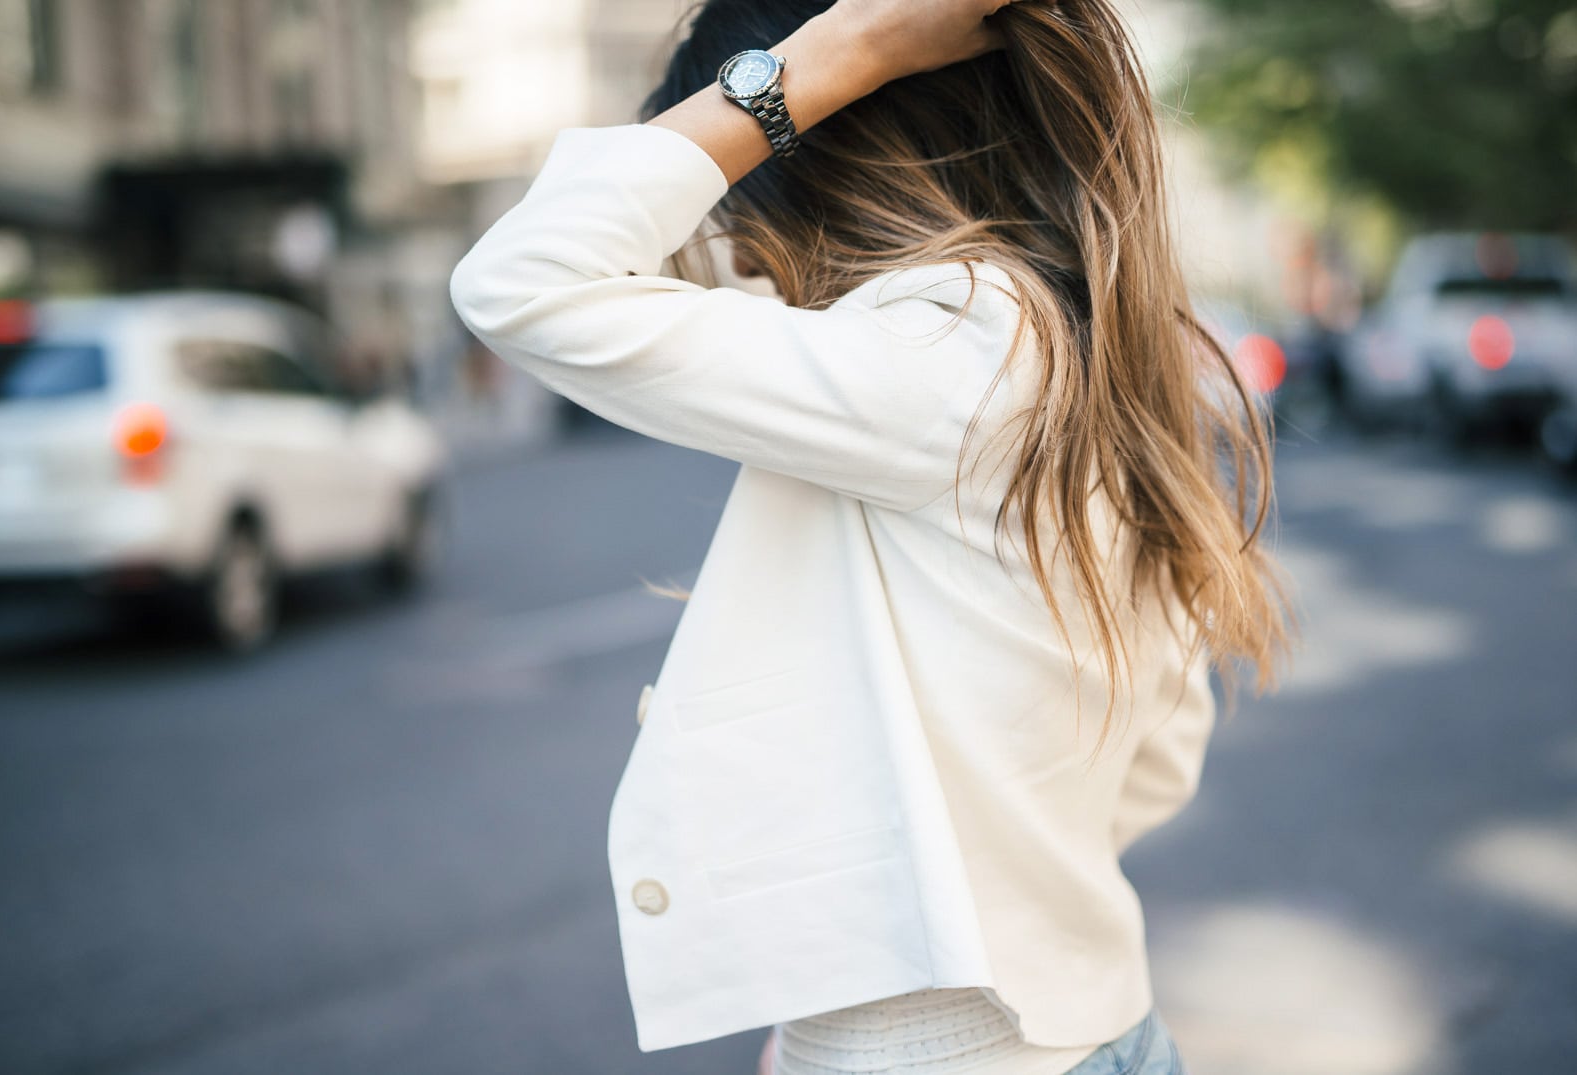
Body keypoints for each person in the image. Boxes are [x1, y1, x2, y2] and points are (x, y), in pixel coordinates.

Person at [448, 0, 1296, 1072]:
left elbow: (517, 281)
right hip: (1098, 1027)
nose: (738, 263)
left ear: (812, 171)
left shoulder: (944, 342)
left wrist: (824, 57)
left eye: (731, 210)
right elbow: (1156, 752)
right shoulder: (1076, 343)